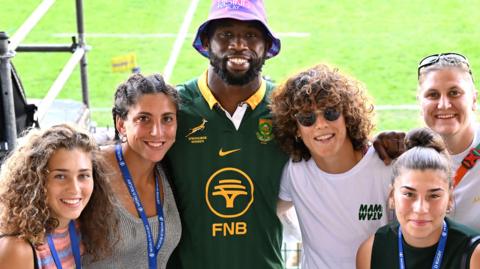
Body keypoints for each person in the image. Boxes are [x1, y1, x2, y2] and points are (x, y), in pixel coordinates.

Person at [165, 1, 288, 268]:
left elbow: (332, 154)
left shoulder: (287, 107)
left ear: (266, 46)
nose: (238, 44)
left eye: (251, 35)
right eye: (226, 35)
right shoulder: (173, 106)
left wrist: (380, 146)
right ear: (207, 42)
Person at [271, 64, 392, 268]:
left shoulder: (386, 164)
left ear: (348, 115)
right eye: (307, 118)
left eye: (330, 113)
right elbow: (267, 210)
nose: (321, 124)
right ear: (296, 129)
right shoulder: (294, 171)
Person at [374, 52, 480, 231]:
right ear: (419, 102)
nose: (444, 104)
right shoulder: (401, 154)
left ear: (474, 99)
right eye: (433, 95)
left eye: (454, 93)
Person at [85, 73, 181, 269]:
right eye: (143, 118)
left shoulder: (170, 172)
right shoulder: (90, 170)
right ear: (121, 124)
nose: (157, 131)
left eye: (167, 119)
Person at [357, 127, 480, 269]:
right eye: (409, 194)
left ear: (450, 199)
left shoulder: (473, 255)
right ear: (392, 196)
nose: (420, 208)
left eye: (434, 195)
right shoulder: (372, 251)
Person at [0, 124, 117, 269]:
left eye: (83, 175)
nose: (75, 189)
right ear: (36, 181)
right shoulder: (18, 249)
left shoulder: (82, 227)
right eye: (60, 176)